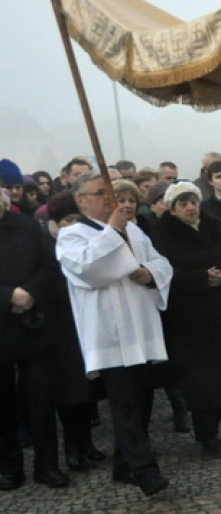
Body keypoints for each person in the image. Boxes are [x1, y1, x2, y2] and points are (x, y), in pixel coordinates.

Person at [56, 171, 173, 497]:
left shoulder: (134, 231)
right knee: (124, 406)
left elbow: (162, 262)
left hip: (141, 328)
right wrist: (113, 230)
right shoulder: (71, 236)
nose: (109, 199)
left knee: (143, 400)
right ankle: (146, 472)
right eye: (99, 193)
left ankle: (124, 465)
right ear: (81, 201)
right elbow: (89, 270)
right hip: (108, 334)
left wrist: (149, 273)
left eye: (110, 192)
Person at [149, 182, 221, 454]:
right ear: (172, 209)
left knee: (219, 375)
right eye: (183, 204)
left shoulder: (213, 225)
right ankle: (205, 434)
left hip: (218, 310)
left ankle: (212, 429)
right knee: (198, 378)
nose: (191, 208)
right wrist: (199, 278)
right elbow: (163, 270)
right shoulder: (161, 232)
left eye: (193, 202)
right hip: (186, 315)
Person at [0, 188, 68, 490]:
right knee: (2, 402)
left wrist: (29, 293)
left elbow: (50, 266)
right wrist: (7, 296)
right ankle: (9, 466)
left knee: (41, 399)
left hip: (32, 323)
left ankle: (47, 465)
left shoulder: (27, 226)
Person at [44, 192, 107, 473]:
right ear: (55, 223)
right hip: (60, 328)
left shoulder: (86, 243)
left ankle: (87, 443)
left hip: (85, 324)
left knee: (87, 390)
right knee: (68, 393)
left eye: (75, 219)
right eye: (66, 220)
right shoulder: (47, 247)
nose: (72, 225)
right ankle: (72, 447)